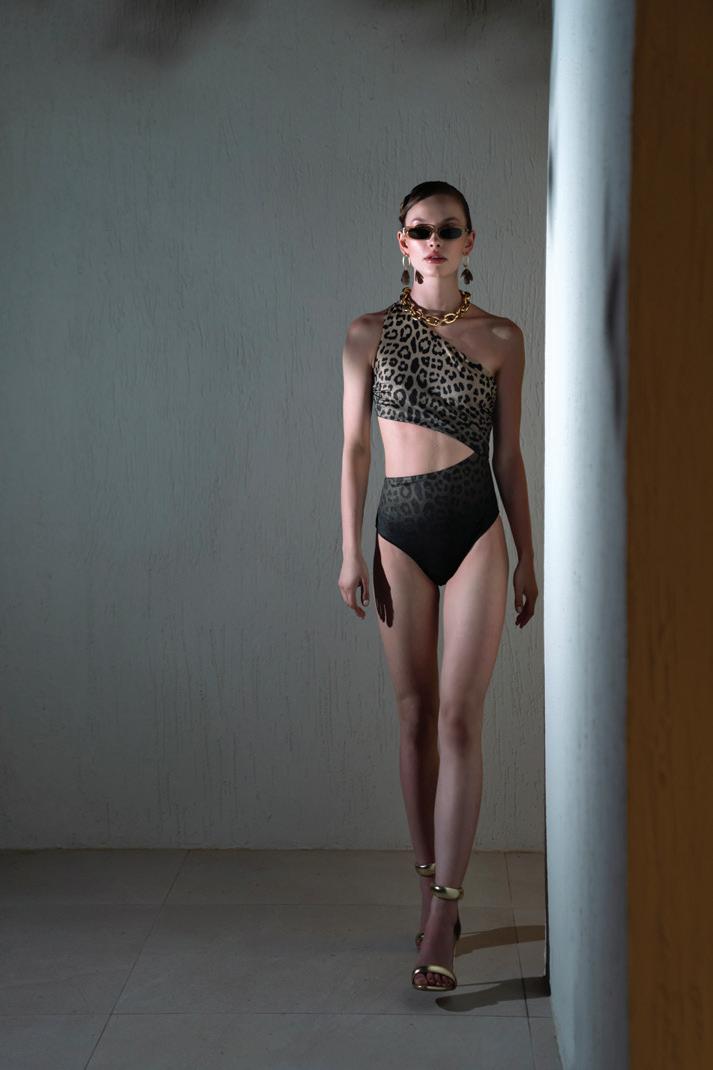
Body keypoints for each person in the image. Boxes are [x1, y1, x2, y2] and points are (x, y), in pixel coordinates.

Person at [338, 180, 538, 992]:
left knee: (458, 718)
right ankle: (431, 902)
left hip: (476, 529)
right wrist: (347, 552)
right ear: (401, 241)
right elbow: (355, 450)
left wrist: (527, 554)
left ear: (469, 241)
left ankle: (445, 910)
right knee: (414, 717)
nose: (433, 240)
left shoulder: (501, 337)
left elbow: (508, 457)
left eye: (448, 229)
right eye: (419, 229)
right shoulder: (367, 334)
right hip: (399, 533)